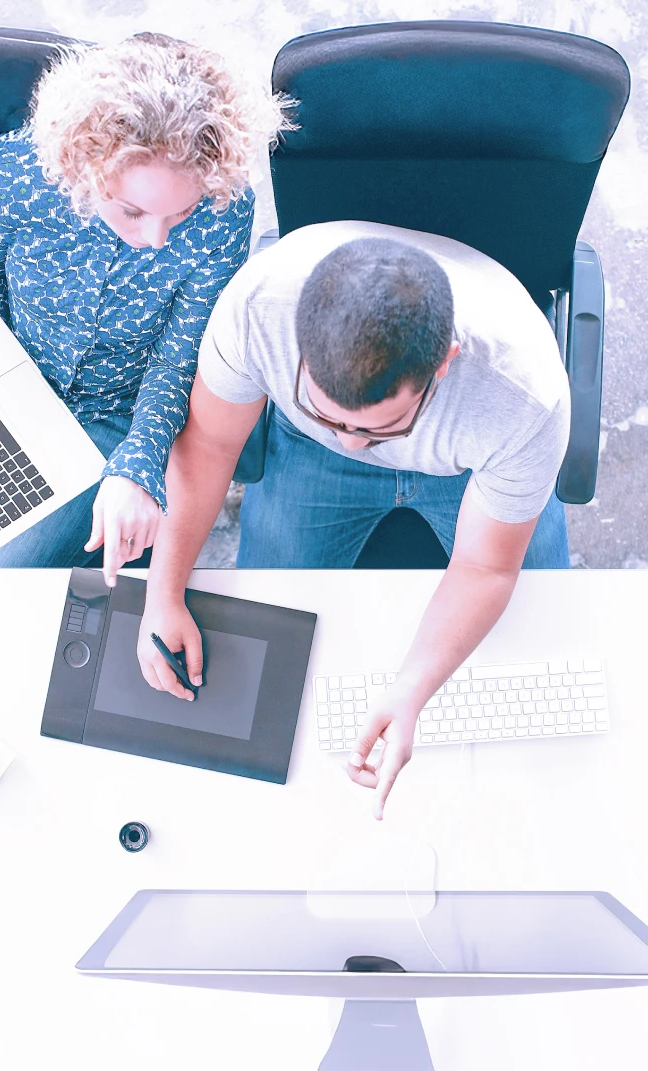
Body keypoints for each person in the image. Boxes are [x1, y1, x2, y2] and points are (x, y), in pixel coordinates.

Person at [136, 222, 572, 819]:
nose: (354, 444)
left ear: (444, 362)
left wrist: (411, 690)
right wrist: (162, 592)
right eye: (332, 415)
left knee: (542, 634)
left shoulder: (524, 398)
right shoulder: (257, 308)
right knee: (262, 624)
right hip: (308, 453)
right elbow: (210, 444)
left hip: (470, 468)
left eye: (376, 427)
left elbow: (485, 567)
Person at [0, 32, 289, 609]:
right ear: (85, 166)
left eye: (180, 213)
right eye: (132, 210)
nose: (156, 239)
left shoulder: (225, 208)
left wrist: (139, 464)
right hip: (6, 380)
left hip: (118, 412)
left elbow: (179, 355)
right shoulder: (5, 176)